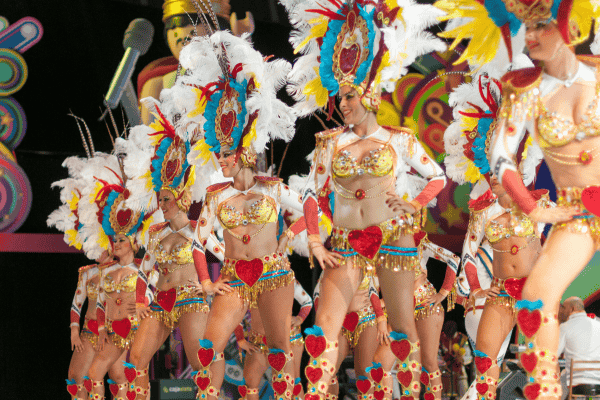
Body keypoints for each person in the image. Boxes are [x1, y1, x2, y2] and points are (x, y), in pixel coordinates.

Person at [280, 0, 448, 398]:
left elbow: (437, 176)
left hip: (392, 240)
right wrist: (317, 242)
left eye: (350, 97)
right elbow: (314, 196)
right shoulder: (328, 144)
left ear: (370, 96)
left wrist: (416, 202)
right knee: (322, 330)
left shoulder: (399, 140)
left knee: (403, 332)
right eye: (339, 99)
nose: (343, 105)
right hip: (345, 245)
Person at [437, 0, 600, 398]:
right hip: (578, 213)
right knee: (534, 298)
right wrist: (532, 205)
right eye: (525, 28)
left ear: (567, 26)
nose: (530, 37)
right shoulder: (524, 91)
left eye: (541, 26)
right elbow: (501, 156)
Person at [180, 27, 301, 400]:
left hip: (274, 273)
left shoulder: (273, 188)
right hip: (233, 276)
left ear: (245, 151)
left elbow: (311, 209)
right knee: (206, 350)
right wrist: (205, 282)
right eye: (218, 154)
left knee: (278, 355)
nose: (222, 160)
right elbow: (199, 241)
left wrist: (291, 238)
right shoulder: (216, 196)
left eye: (227, 153)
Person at [118, 92, 227, 399]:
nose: (160, 204)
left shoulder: (199, 230)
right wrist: (141, 300)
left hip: (191, 299)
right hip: (161, 301)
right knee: (136, 361)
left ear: (180, 199)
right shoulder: (154, 234)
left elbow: (224, 256)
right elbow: (143, 272)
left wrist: (219, 286)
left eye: (165, 199)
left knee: (200, 362)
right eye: (159, 198)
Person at [75, 153, 157, 400]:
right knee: (94, 372)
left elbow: (156, 293)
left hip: (137, 327)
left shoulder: (143, 269)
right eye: (115, 240)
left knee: (135, 373)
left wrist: (145, 304)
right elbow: (100, 302)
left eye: (121, 240)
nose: (117, 243)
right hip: (114, 330)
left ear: (132, 243)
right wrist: (101, 330)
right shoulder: (106, 272)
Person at [236, 279, 313, 400]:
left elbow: (307, 302)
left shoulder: (286, 276)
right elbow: (236, 313)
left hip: (289, 339)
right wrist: (241, 340)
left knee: (293, 383)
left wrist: (300, 318)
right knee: (250, 384)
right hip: (259, 342)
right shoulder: (249, 278)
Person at [558, 297, 600, 396]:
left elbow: (553, 354)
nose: (561, 310)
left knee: (557, 385)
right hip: (598, 382)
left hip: (577, 384)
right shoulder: (598, 324)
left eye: (563, 307)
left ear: (572, 309)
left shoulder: (565, 326)